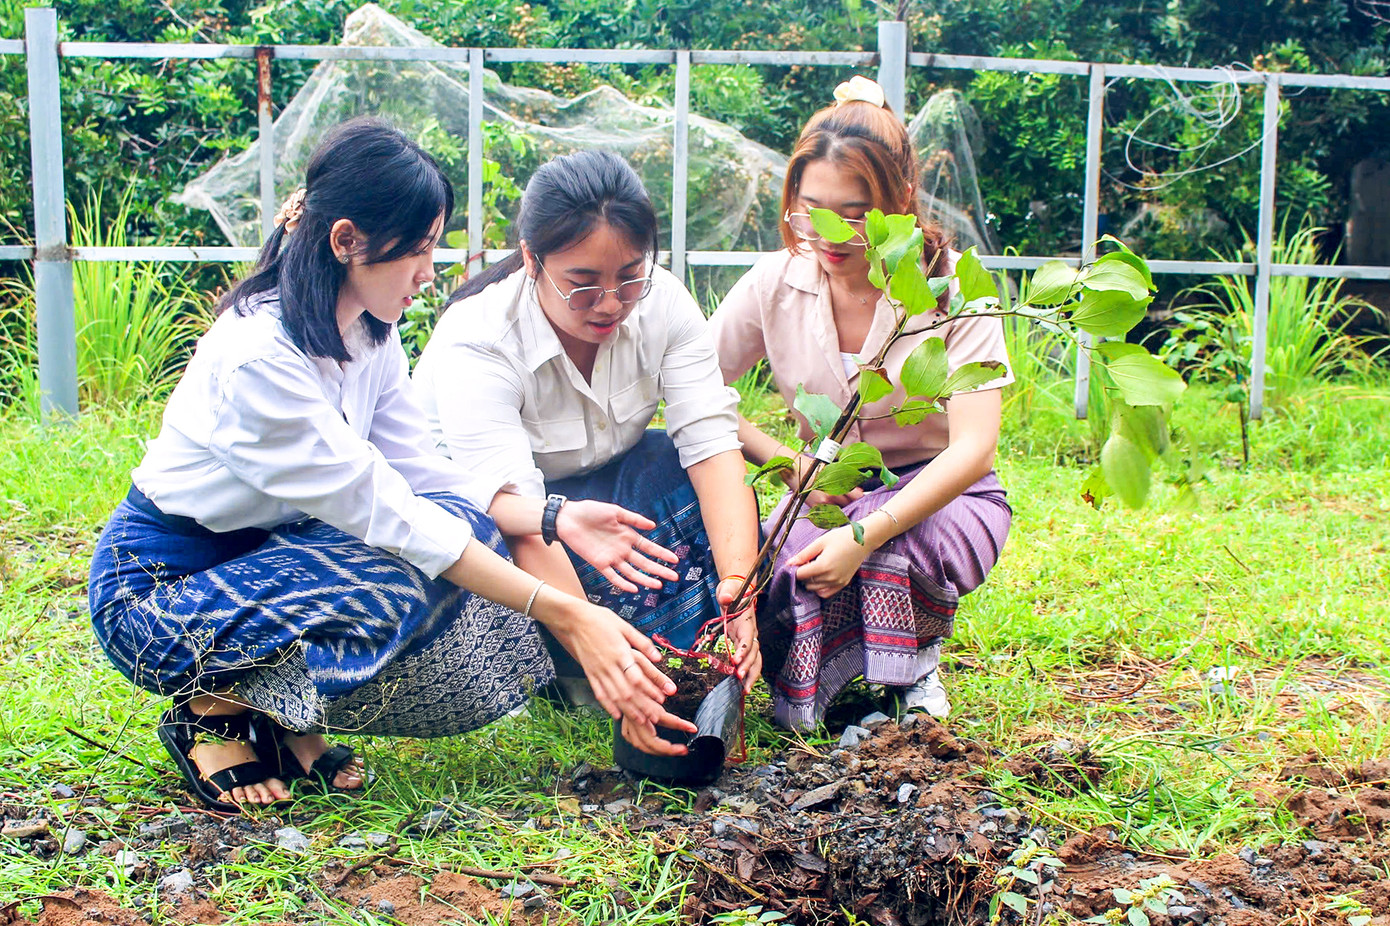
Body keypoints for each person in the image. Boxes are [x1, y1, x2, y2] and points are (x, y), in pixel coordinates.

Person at [87, 119, 694, 813]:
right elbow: (393, 514)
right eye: (419, 250)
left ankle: (283, 719)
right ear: (347, 241)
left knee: (467, 527)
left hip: (267, 561)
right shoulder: (259, 359)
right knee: (402, 565)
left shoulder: (366, 335)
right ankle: (213, 711)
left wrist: (555, 515)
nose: (429, 274)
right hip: (161, 596)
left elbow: (427, 475)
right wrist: (568, 614)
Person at [708, 76, 1013, 731]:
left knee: (883, 548)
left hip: (944, 496)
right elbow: (694, 395)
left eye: (853, 213)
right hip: (827, 489)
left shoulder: (953, 288)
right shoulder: (776, 283)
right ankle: (829, 686)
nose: (829, 232)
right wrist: (790, 463)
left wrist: (864, 532)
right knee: (790, 570)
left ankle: (914, 674)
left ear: (901, 200)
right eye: (809, 209)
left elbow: (973, 446)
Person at [412, 149, 762, 699]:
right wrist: (596, 645)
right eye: (582, 282)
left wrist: (739, 586)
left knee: (679, 475)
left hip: (594, 495)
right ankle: (570, 666)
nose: (609, 304)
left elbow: (713, 446)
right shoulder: (480, 339)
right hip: (498, 523)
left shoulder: (663, 304)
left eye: (629, 277)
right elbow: (516, 509)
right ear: (531, 259)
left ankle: (657, 653)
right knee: (486, 536)